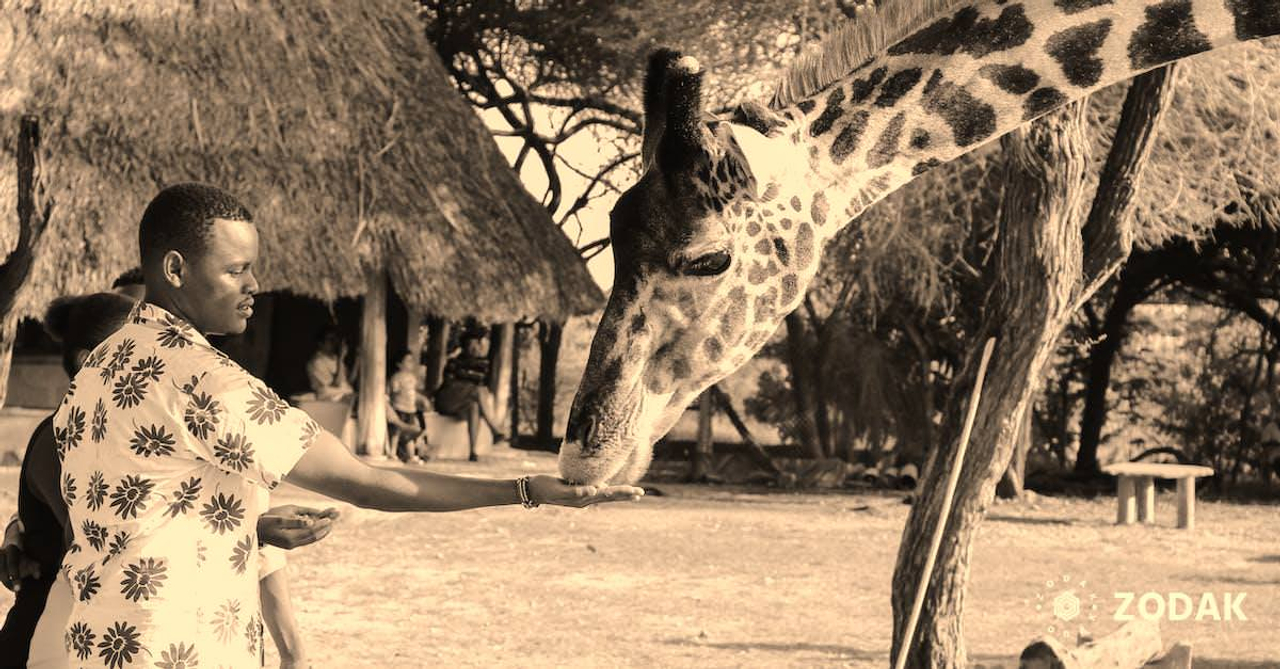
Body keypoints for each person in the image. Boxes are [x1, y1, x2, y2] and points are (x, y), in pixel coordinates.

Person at [50, 182, 641, 668]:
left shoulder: (101, 366)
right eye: (236, 270)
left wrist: (247, 525)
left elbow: (139, 509)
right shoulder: (204, 379)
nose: (254, 285)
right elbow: (364, 483)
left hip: (99, 638)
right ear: (175, 268)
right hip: (180, 647)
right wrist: (525, 490)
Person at [0, 293, 335, 669]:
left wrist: (293, 653)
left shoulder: (178, 432)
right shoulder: (64, 437)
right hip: (58, 645)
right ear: (88, 361)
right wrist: (253, 531)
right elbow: (108, 540)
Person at [434, 327, 503, 461]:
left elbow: (480, 383)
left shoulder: (483, 364)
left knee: (474, 407)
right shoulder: (454, 362)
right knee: (477, 390)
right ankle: (494, 429)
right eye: (470, 345)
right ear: (464, 347)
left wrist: (466, 380)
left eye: (476, 345)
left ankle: (473, 451)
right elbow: (449, 384)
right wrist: (468, 383)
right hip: (447, 401)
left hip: (463, 403)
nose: (474, 348)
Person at [387, 350, 429, 464]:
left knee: (409, 435)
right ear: (399, 364)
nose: (411, 363)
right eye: (408, 361)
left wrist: (422, 401)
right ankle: (392, 452)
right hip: (399, 407)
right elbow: (393, 391)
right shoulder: (396, 377)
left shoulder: (412, 377)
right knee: (397, 431)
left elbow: (414, 392)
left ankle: (411, 456)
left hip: (411, 409)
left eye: (412, 361)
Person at [306, 328, 355, 402]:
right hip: (329, 400)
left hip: (346, 397)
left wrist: (358, 360)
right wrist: (341, 359)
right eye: (330, 339)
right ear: (320, 343)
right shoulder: (316, 362)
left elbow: (349, 381)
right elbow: (336, 385)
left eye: (334, 339)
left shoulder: (336, 359)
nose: (334, 343)